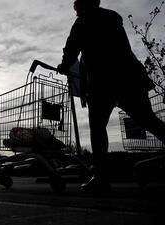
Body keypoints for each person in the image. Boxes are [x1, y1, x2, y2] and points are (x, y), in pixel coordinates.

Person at [57, 0, 165, 193]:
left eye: (77, 8)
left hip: (103, 81)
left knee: (97, 129)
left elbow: (72, 47)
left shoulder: (83, 22)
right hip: (130, 77)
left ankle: (100, 178)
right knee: (148, 120)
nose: (75, 12)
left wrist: (65, 65)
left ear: (82, 6)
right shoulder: (112, 18)